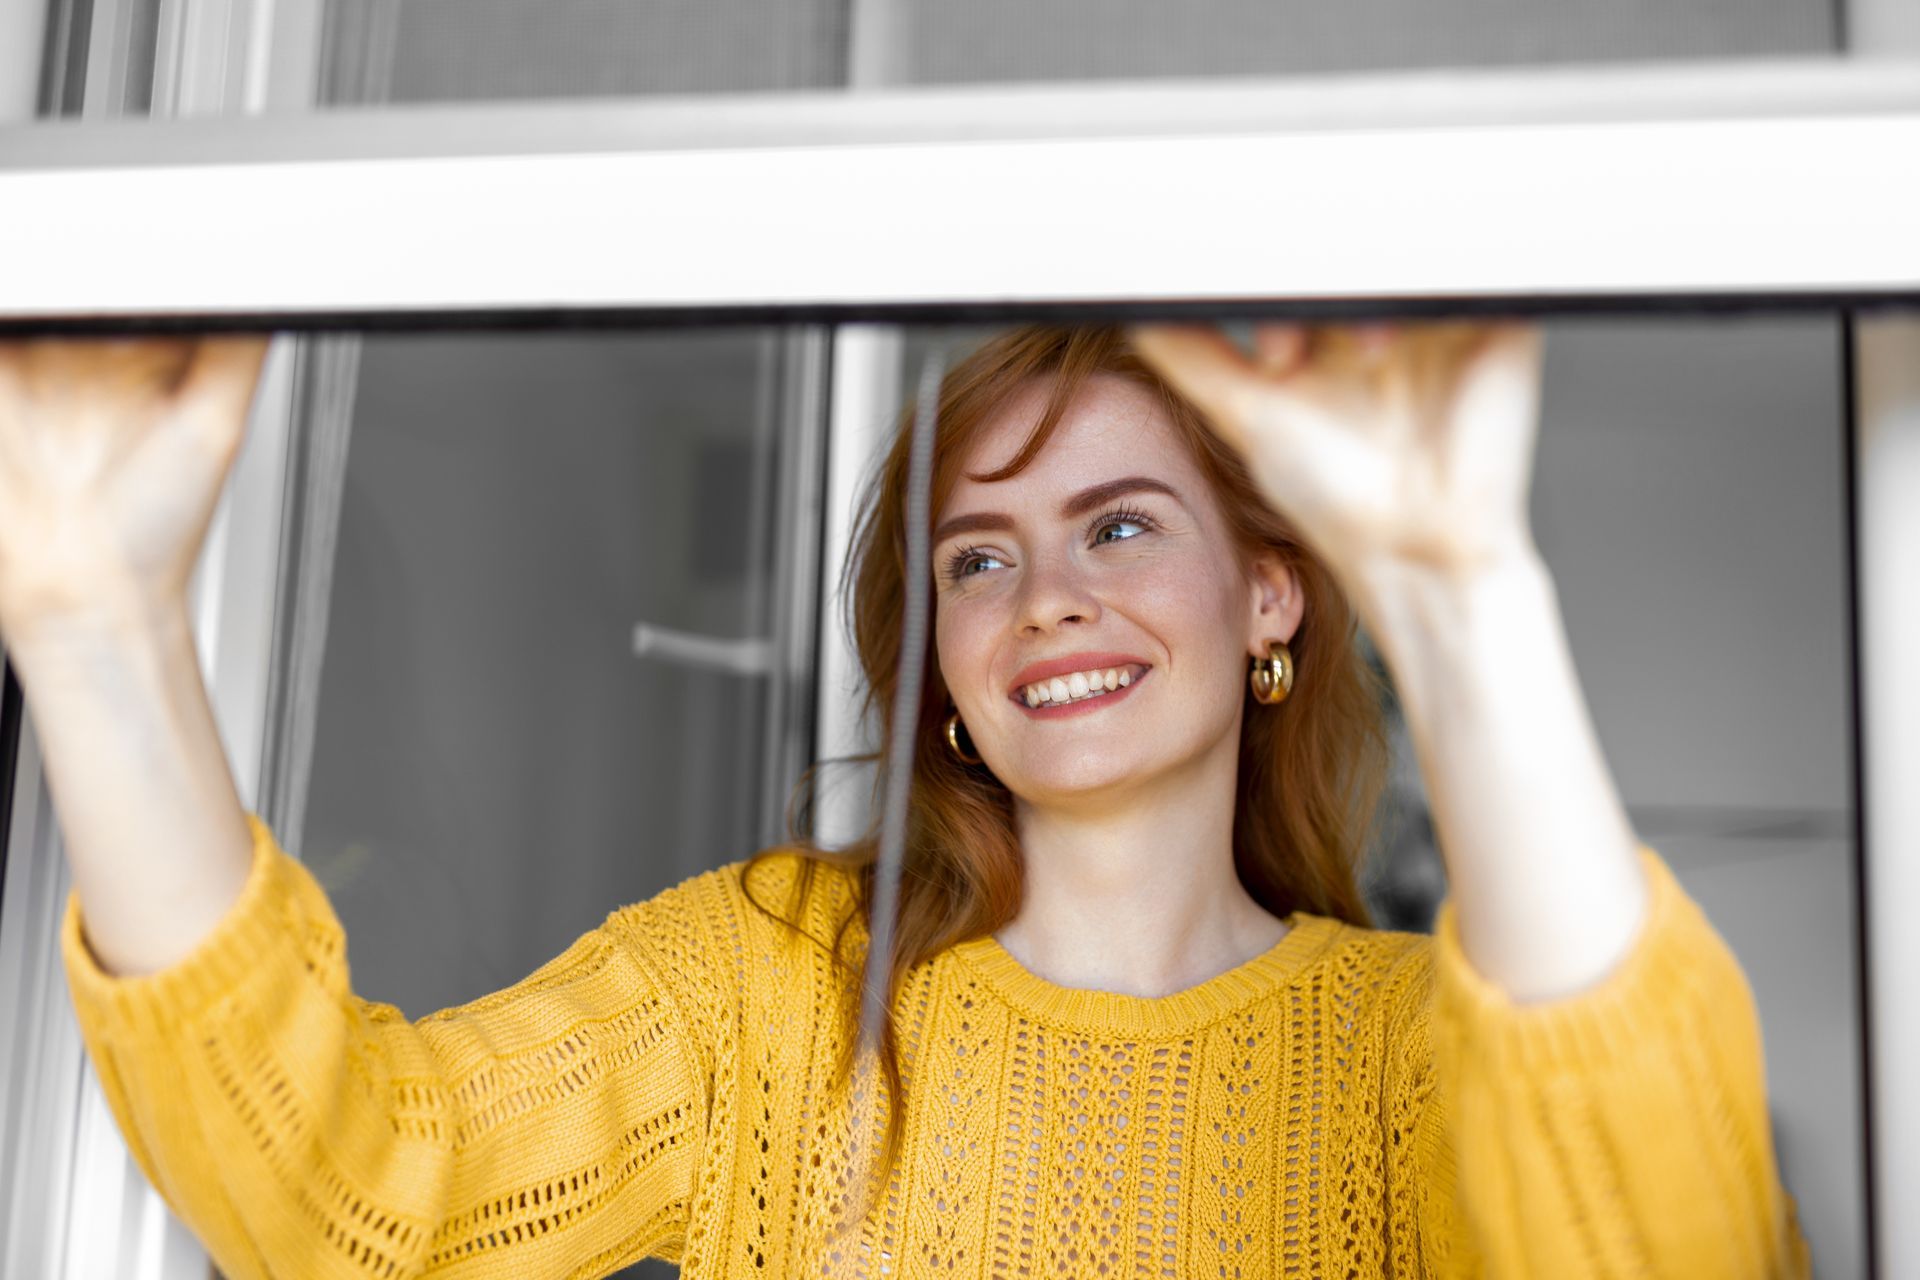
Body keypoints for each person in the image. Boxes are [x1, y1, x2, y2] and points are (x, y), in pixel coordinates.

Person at [0, 322, 1809, 1278]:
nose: (1049, 601)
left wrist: (1459, 580)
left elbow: (1681, 1249)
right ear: (936, 653)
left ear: (1272, 597)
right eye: (978, 557)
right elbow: (346, 1196)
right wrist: (91, 620)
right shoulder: (770, 989)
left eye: (1119, 526)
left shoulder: (1417, 1052)